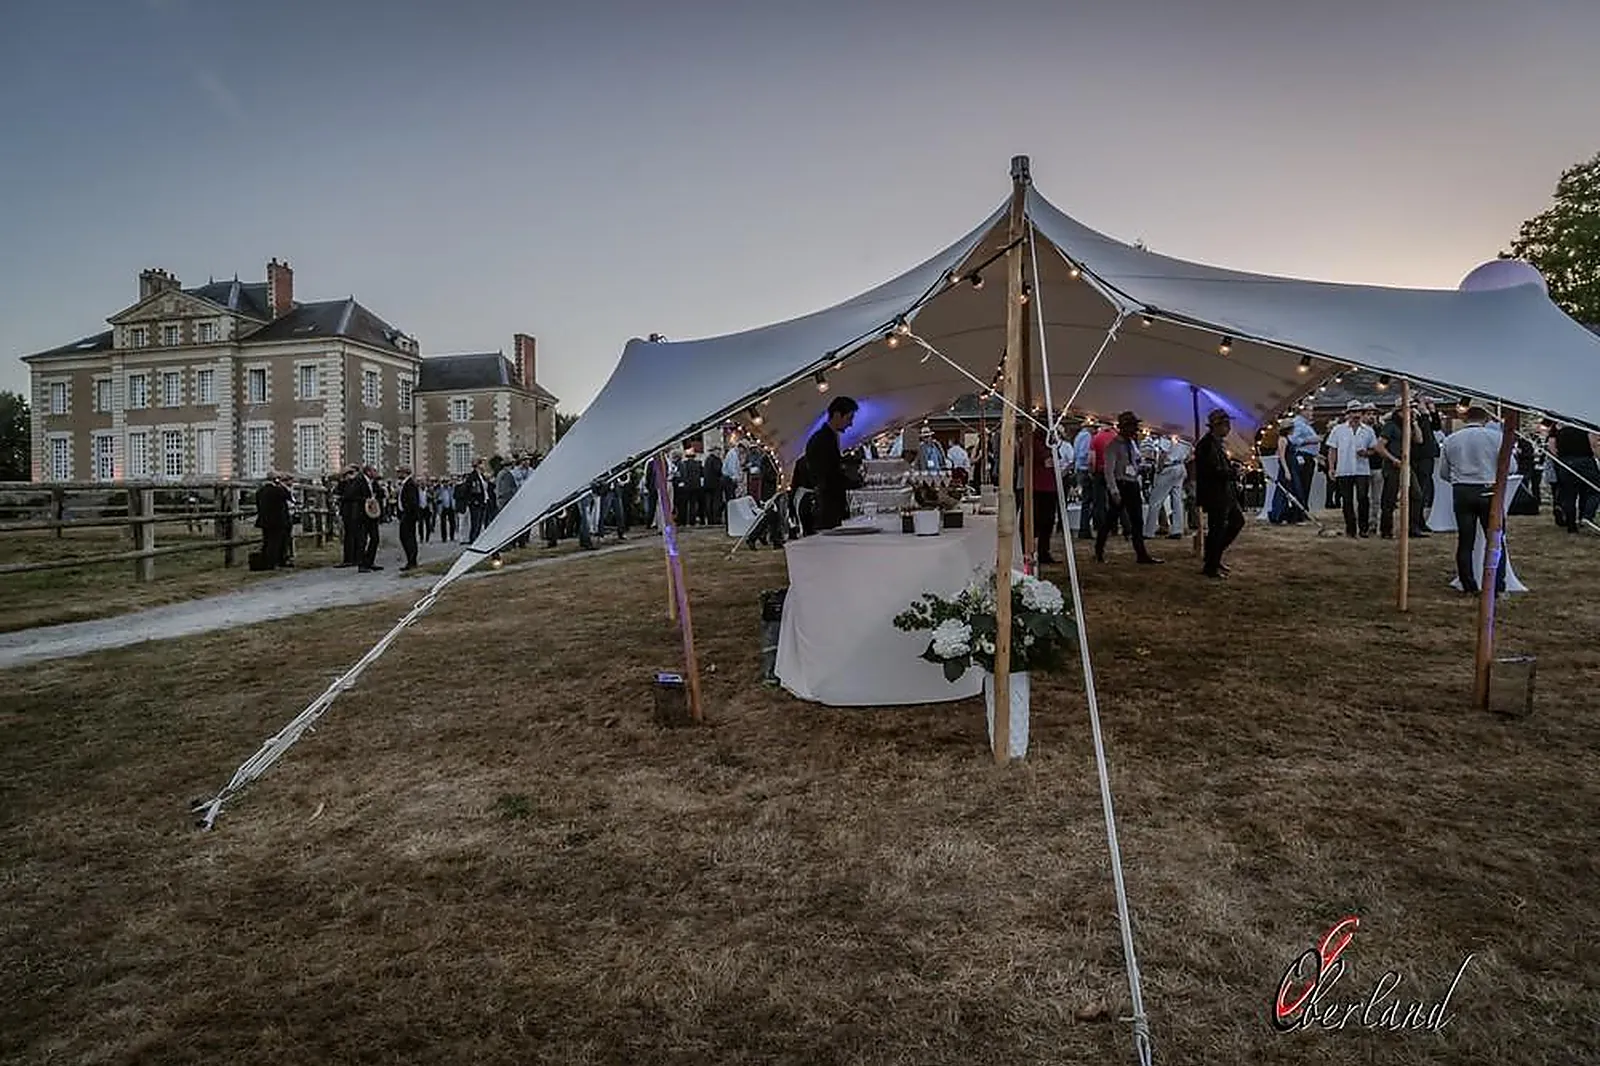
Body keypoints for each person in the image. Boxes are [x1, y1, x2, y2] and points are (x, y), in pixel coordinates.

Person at [1440, 402, 1507, 596]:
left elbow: (1444, 472)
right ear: (1486, 419)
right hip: (1488, 488)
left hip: (1462, 490)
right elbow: (1510, 467)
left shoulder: (1451, 439)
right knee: (1495, 540)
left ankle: (1468, 584)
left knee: (1465, 540)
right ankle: (1497, 585)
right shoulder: (1496, 438)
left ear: (1465, 418)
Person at [1094, 411, 1162, 565]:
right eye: (1132, 426)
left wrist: (1141, 467)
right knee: (1110, 520)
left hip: (1132, 483)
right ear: (1124, 427)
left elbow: (1134, 463)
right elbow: (1108, 471)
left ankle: (1141, 554)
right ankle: (1099, 550)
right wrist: (1114, 491)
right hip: (1121, 484)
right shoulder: (1113, 446)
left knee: (1137, 520)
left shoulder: (1131, 444)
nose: (1135, 430)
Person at [1195, 409, 1244, 578]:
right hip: (1215, 493)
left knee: (1235, 522)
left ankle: (1214, 558)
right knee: (1217, 529)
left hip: (1224, 492)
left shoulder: (1216, 443)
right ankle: (1211, 564)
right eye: (1226, 425)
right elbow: (1212, 471)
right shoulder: (1207, 445)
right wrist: (1233, 473)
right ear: (1217, 426)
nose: (1228, 428)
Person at [1325, 400, 1378, 538]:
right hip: (1344, 469)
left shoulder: (1368, 430)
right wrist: (1331, 467)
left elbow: (1374, 449)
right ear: (1347, 414)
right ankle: (1351, 528)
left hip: (1362, 469)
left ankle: (1364, 528)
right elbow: (1332, 450)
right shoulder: (1338, 430)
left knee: (1363, 498)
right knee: (1346, 500)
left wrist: (1366, 453)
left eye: (1358, 412)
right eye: (1353, 412)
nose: (1356, 415)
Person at [806, 395, 858, 530]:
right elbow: (828, 476)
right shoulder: (822, 440)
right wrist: (855, 484)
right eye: (849, 418)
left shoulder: (829, 438)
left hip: (830, 506)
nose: (851, 424)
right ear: (837, 415)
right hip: (827, 510)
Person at [255, 472, 292, 570]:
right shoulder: (277, 490)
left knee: (267, 541)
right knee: (276, 543)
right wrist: (283, 486)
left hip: (264, 520)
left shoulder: (260, 491)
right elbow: (288, 496)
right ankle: (274, 562)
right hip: (277, 520)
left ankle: (267, 562)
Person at [397, 466, 421, 571]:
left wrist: (409, 514)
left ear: (405, 473)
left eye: (399, 472)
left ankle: (412, 561)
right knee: (405, 537)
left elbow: (412, 502)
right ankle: (411, 560)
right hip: (405, 514)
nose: (398, 474)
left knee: (408, 538)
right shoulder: (405, 484)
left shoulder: (410, 484)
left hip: (408, 515)